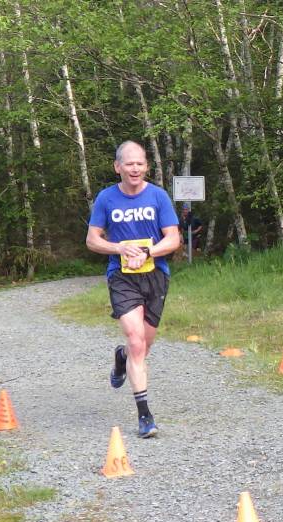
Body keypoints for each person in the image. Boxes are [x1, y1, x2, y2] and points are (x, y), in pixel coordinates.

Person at [86, 141, 180, 438]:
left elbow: (174, 239)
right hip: (121, 277)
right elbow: (92, 239)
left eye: (140, 163)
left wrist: (149, 253)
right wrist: (119, 247)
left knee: (144, 345)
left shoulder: (158, 196)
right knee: (137, 341)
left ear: (146, 166)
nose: (135, 168)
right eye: (129, 164)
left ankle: (121, 357)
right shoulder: (106, 198)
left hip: (155, 275)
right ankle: (145, 416)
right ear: (118, 167)